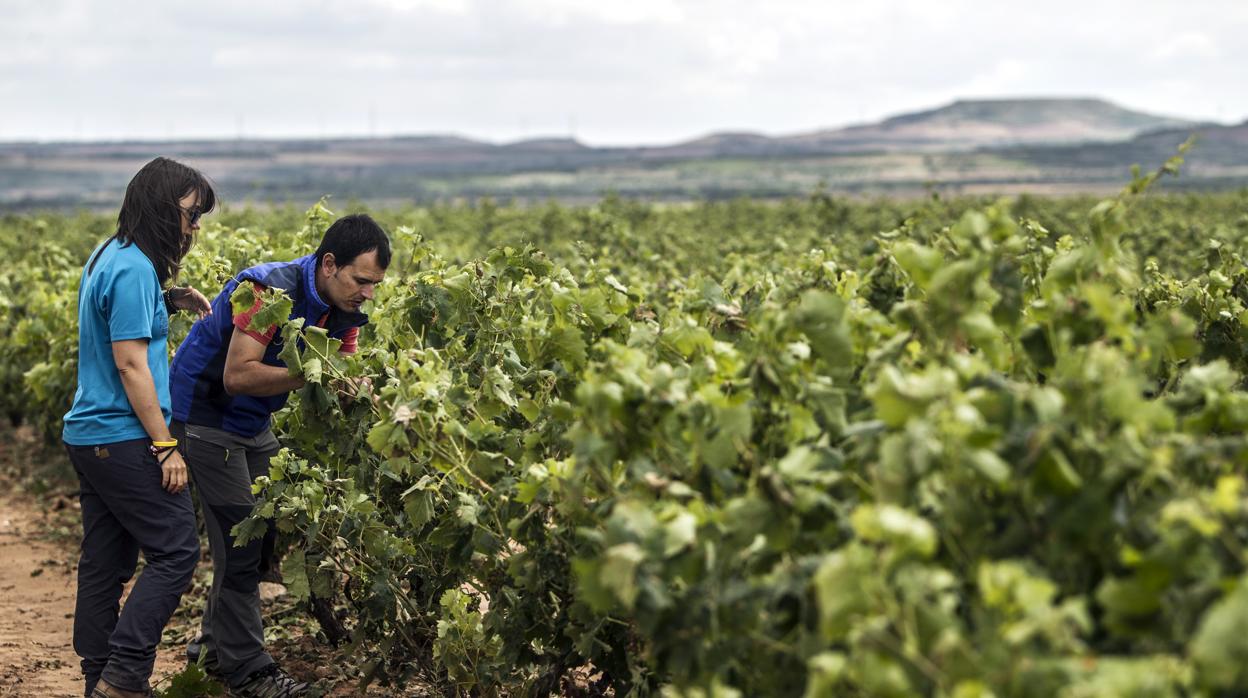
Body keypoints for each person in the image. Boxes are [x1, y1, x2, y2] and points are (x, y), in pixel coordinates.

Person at [169, 214, 390, 697]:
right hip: (204, 416)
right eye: (361, 280)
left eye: (375, 284)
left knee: (260, 537)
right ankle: (251, 672)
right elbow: (238, 376)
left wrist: (367, 392)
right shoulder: (268, 292)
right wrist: (315, 372)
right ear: (329, 264)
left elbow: (340, 370)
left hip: (253, 422)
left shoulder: (345, 309)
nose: (368, 293)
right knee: (240, 545)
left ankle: (211, 650)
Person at [62, 157, 217, 698]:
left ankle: (98, 681)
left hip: (92, 436)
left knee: (105, 561)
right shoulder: (133, 270)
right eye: (191, 215)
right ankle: (125, 677)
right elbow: (131, 366)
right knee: (176, 551)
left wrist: (168, 300)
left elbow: (114, 320)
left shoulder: (112, 253)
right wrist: (166, 445)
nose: (194, 228)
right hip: (123, 435)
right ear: (161, 208)